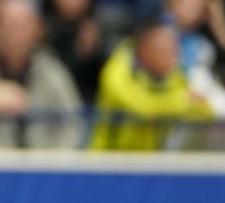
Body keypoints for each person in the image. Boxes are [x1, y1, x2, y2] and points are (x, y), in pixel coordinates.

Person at [0, 0, 86, 150]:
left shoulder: (52, 72)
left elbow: (72, 125)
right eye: (7, 25)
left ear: (36, 29)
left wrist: (53, 162)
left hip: (45, 166)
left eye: (21, 26)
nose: (13, 35)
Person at [89, 21, 213, 151]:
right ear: (145, 51)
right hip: (108, 160)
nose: (173, 58)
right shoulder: (116, 71)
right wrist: (182, 101)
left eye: (175, 51)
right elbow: (141, 109)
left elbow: (206, 111)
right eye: (165, 52)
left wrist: (177, 104)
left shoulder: (173, 74)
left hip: (153, 161)